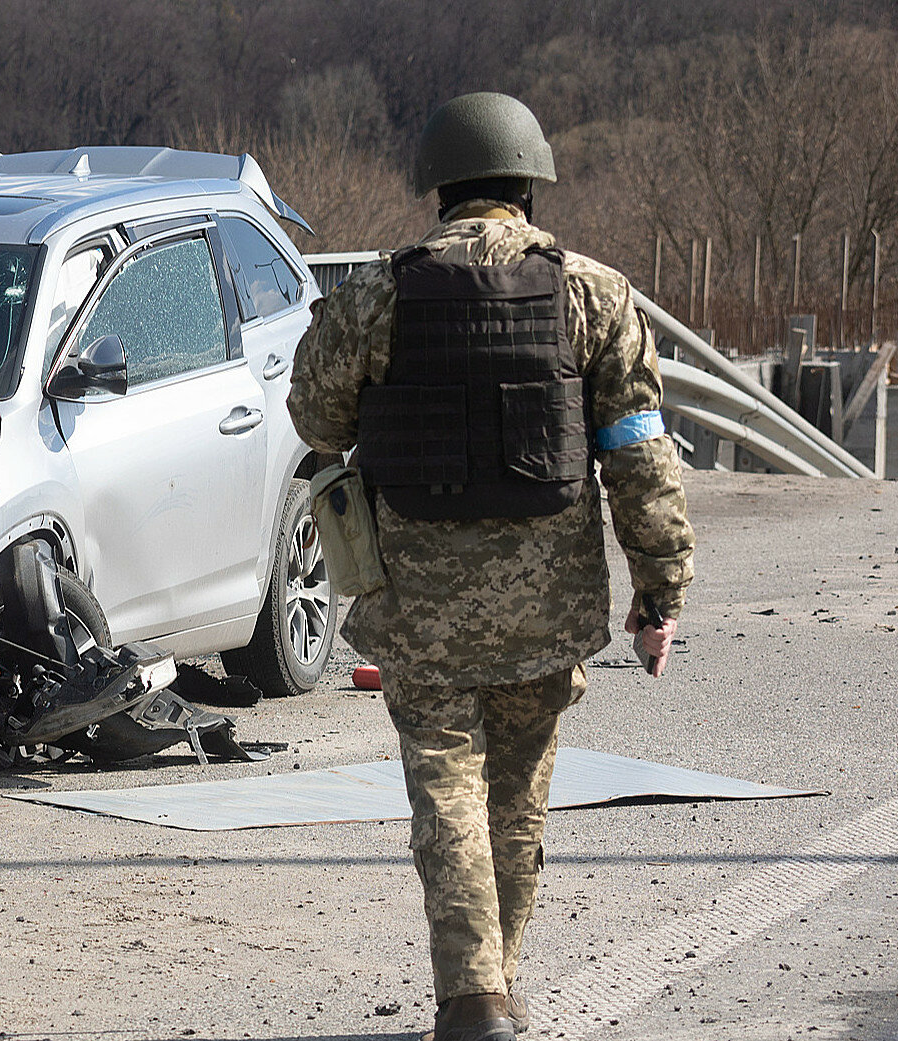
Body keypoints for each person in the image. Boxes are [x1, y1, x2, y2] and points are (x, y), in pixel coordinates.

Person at [286, 92, 695, 1041]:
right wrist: (658, 591)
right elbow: (639, 453)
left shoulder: (376, 294)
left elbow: (316, 419)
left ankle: (473, 1001)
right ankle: (490, 992)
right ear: (526, 179)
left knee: (446, 793)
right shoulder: (593, 292)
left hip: (417, 605)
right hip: (545, 605)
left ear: (439, 184)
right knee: (514, 803)